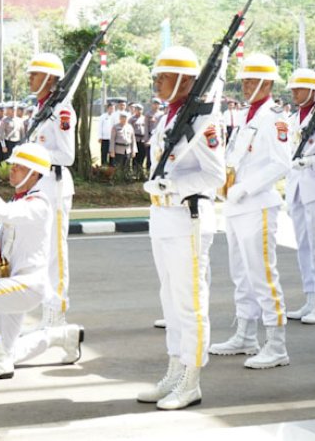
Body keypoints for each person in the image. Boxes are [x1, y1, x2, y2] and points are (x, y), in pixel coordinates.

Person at [137, 46, 224, 410]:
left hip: (189, 219)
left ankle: (191, 379)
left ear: (186, 81)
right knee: (170, 301)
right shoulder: (170, 117)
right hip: (164, 219)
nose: (157, 82)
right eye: (156, 76)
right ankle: (174, 370)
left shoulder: (203, 122)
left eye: (163, 76)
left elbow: (216, 175)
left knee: (190, 303)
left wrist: (173, 187)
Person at [0, 144, 84, 381]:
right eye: (12, 165)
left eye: (19, 167)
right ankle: (62, 336)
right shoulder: (18, 201)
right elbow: (3, 253)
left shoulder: (40, 203)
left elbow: (4, 213)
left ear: (34, 173)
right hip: (12, 282)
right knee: (10, 351)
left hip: (28, 285)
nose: (12, 170)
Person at [209, 53, 291, 369]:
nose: (246, 86)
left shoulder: (274, 117)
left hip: (257, 205)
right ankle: (245, 335)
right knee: (241, 275)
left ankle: (277, 344)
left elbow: (281, 163)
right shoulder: (246, 115)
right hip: (236, 207)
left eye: (253, 81)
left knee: (263, 276)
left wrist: (244, 187)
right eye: (244, 80)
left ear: (268, 84)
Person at [24, 52, 76, 328]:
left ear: (49, 79)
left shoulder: (62, 111)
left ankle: (56, 311)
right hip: (39, 187)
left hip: (54, 187)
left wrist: (32, 154)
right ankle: (45, 308)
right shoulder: (41, 108)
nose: (30, 78)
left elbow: (67, 156)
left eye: (34, 74)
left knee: (55, 253)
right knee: (40, 252)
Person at [285, 69, 315, 324]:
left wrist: (310, 162)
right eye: (293, 89)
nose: (295, 93)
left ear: (313, 91)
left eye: (299, 89)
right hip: (296, 189)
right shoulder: (293, 118)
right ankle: (310, 299)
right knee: (303, 246)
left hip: (314, 187)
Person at [130, 103, 148, 174]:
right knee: (135, 156)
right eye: (137, 109)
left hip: (143, 139)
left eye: (140, 110)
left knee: (142, 155)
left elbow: (146, 129)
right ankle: (134, 171)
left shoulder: (144, 118)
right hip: (135, 139)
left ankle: (140, 171)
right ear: (135, 110)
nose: (139, 111)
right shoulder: (131, 119)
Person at [97, 102, 115, 166]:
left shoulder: (115, 117)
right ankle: (103, 167)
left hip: (113, 139)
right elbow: (99, 127)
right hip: (104, 138)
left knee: (112, 155)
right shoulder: (103, 116)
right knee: (104, 154)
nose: (112, 110)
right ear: (107, 108)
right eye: (110, 108)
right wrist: (100, 137)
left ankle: (111, 168)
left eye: (113, 108)